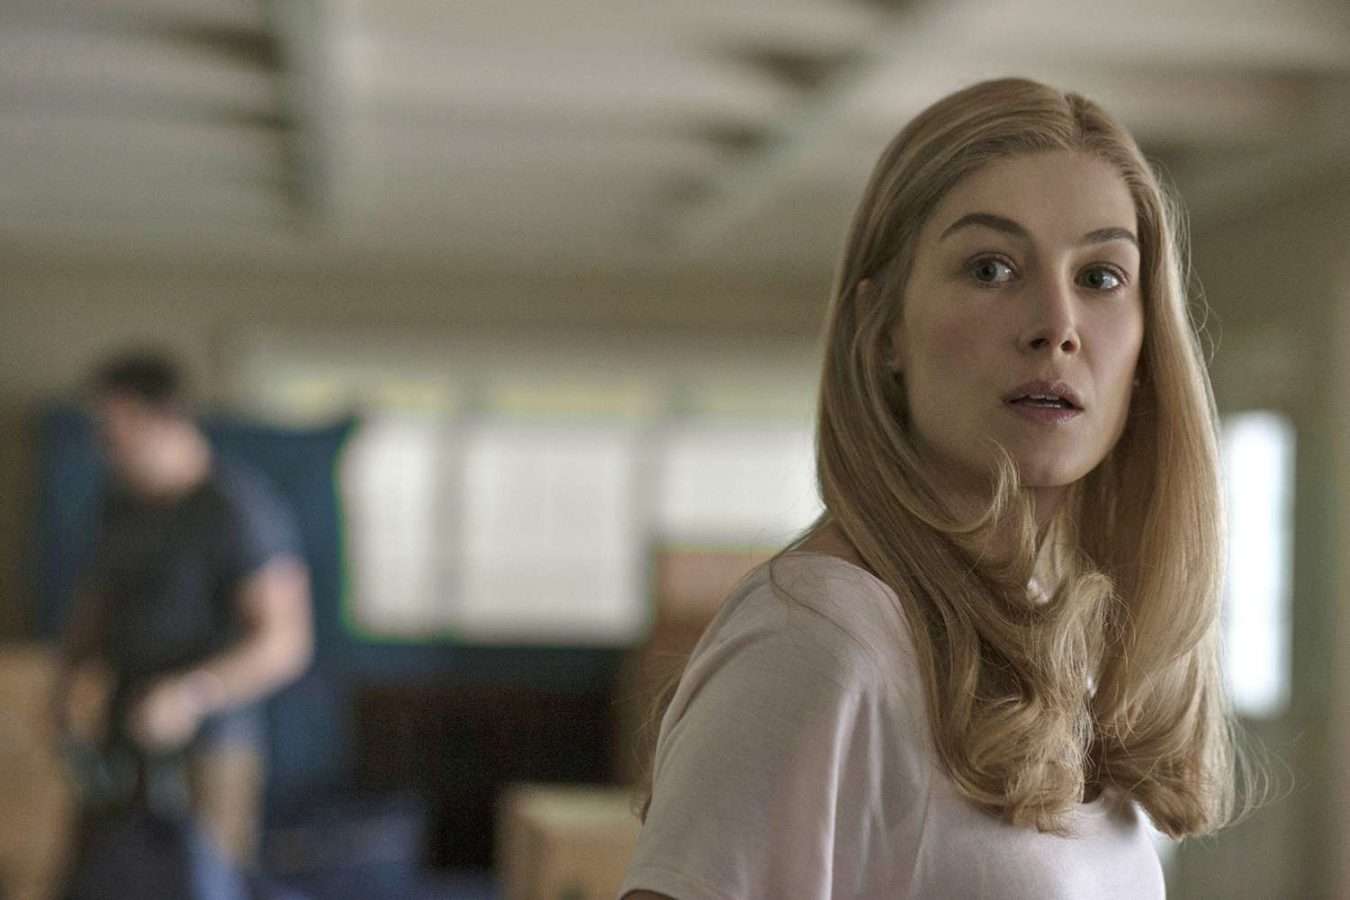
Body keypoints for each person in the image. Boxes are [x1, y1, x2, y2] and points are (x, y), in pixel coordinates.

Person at [620, 77, 1258, 899]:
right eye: (992, 268)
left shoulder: (1050, 641)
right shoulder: (820, 640)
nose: (1056, 325)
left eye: (1101, 277)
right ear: (883, 329)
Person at [53, 351, 314, 869]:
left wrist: (191, 696)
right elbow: (94, 603)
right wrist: (69, 682)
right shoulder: (118, 506)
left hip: (208, 750)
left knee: (203, 879)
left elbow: (285, 644)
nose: (104, 444)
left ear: (159, 419)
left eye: (114, 427)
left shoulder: (237, 510)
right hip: (119, 738)